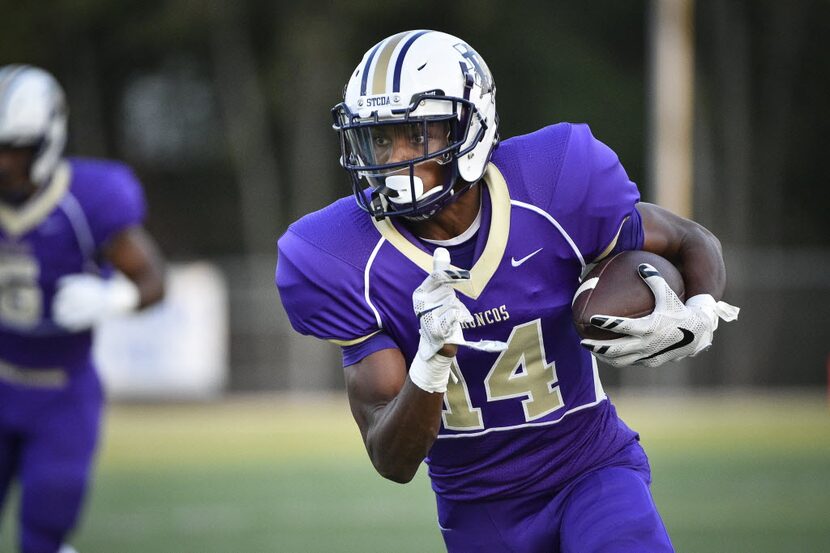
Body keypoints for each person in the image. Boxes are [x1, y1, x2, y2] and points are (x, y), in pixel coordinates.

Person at [276, 30, 738, 552]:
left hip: (589, 470)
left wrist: (700, 309)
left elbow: (689, 239)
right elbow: (392, 459)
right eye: (381, 138)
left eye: (416, 134)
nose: (393, 158)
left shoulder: (552, 182)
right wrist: (430, 361)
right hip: (479, 508)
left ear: (470, 129)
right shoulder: (336, 256)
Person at [0, 65, 165, 553]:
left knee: (43, 535)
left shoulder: (88, 198)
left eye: (14, 148)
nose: (3, 163)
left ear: (46, 141)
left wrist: (117, 297)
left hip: (63, 393)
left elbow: (155, 280)